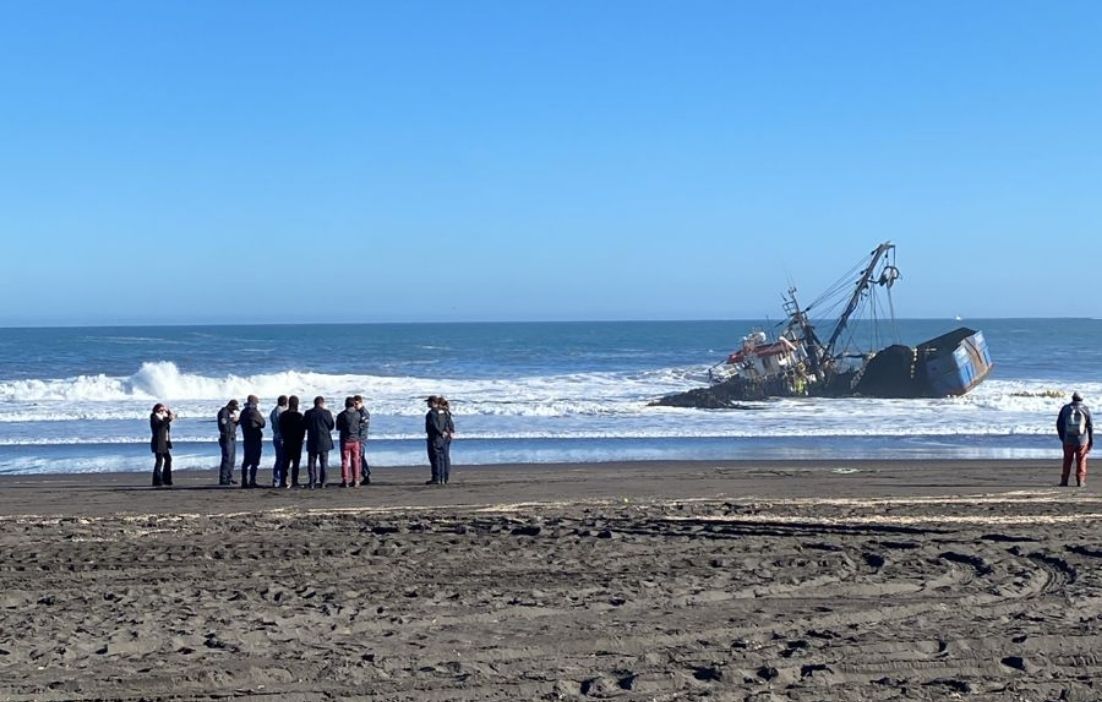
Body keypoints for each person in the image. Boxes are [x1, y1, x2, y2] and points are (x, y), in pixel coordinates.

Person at [1057, 392, 1094, 487]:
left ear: (1072, 398)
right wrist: (1090, 440)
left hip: (1068, 439)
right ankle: (1080, 481)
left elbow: (1059, 424)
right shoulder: (1085, 409)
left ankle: (1064, 480)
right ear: (1082, 399)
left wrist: (1062, 437)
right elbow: (1090, 426)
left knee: (1067, 460)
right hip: (1082, 440)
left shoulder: (1065, 408)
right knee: (1081, 460)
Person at [303, 395, 335, 488]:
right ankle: (323, 482)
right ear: (322, 403)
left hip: (312, 440)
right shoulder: (326, 413)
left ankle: (312, 482)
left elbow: (304, 425)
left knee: (312, 462)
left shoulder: (308, 413)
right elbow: (331, 426)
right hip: (324, 440)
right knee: (324, 462)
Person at [279, 395, 307, 488]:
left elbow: (281, 428)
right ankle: (294, 481)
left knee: (285, 463)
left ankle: (283, 481)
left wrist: (283, 438)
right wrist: (301, 439)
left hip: (286, 441)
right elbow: (303, 430)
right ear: (297, 404)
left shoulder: (283, 415)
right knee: (296, 463)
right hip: (297, 442)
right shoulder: (299, 416)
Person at [239, 395, 266, 489]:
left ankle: (244, 481)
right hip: (254, 439)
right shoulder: (254, 412)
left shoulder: (243, 412)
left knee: (246, 461)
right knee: (254, 461)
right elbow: (263, 423)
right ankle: (252, 481)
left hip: (246, 439)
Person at [336, 397, 364, 488]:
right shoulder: (358, 414)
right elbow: (361, 425)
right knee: (355, 460)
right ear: (353, 404)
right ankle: (356, 480)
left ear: (345, 404)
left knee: (345, 460)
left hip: (345, 440)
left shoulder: (341, 415)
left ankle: (345, 480)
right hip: (355, 440)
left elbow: (338, 428)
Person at [149, 403, 175, 487]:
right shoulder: (154, 417)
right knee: (159, 461)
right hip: (158, 442)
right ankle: (157, 480)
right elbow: (160, 426)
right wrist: (168, 419)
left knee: (168, 459)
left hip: (164, 442)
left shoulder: (163, 417)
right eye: (161, 410)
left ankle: (166, 479)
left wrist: (168, 411)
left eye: (163, 410)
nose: (162, 412)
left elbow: (168, 419)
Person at [424, 396, 448, 485]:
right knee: (441, 458)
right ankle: (442, 478)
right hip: (441, 438)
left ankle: (436, 478)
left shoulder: (431, 413)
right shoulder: (442, 412)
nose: (427, 404)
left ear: (433, 403)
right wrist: (444, 431)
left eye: (429, 402)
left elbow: (434, 425)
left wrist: (440, 432)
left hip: (434, 437)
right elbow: (446, 422)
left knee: (434, 458)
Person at [216, 399, 240, 485]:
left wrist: (237, 421)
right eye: (233, 408)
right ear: (230, 406)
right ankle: (223, 478)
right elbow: (224, 424)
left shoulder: (231, 413)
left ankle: (230, 477)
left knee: (232, 459)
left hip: (232, 436)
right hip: (226, 436)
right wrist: (232, 420)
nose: (234, 410)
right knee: (227, 458)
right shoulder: (223, 412)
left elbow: (234, 424)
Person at [270, 395, 289, 488]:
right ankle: (279, 479)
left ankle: (277, 479)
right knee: (281, 459)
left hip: (276, 436)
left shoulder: (273, 411)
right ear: (285, 402)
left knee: (279, 459)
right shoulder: (282, 412)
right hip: (281, 438)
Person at [438, 396, 455, 484]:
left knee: (443, 457)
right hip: (448, 436)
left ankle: (444, 476)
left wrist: (444, 431)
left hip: (445, 436)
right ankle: (445, 476)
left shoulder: (442, 413)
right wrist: (451, 432)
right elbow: (451, 425)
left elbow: (444, 424)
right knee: (445, 456)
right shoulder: (447, 412)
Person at [354, 395, 371, 484]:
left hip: (361, 438)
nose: (355, 406)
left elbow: (362, 426)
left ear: (361, 403)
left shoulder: (364, 413)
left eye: (356, 404)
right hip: (357, 437)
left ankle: (366, 474)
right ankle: (365, 474)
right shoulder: (357, 412)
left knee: (360, 456)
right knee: (360, 456)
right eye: (354, 404)